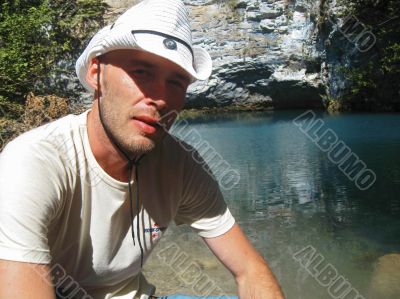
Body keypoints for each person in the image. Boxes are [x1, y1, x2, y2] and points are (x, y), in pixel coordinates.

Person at [0, 0, 285, 298]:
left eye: (176, 82)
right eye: (141, 72)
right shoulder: (33, 162)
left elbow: (249, 270)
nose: (160, 98)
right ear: (96, 73)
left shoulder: (181, 165)